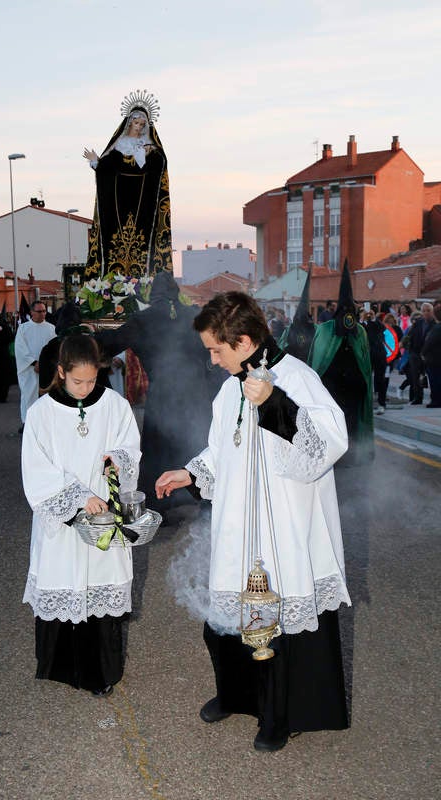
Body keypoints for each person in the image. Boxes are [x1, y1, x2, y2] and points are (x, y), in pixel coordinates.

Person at [155, 291, 350, 752]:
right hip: (239, 525)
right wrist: (191, 471)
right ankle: (236, 695)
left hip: (285, 527)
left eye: (216, 350)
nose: (212, 359)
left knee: (278, 624)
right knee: (226, 619)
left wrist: (277, 402)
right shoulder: (229, 389)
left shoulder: (297, 378)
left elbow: (330, 442)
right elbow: (224, 451)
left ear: (243, 341)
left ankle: (279, 716)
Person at [21, 334, 141, 696]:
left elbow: (131, 449)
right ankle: (62, 668)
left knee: (101, 589)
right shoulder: (41, 413)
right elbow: (36, 468)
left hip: (104, 517)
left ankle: (100, 673)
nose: (86, 388)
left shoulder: (115, 405)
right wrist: (76, 498)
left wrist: (117, 460)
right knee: (65, 582)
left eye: (92, 380)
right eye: (77, 381)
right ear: (60, 371)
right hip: (63, 523)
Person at [96, 270, 225, 518]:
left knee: (159, 450)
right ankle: (208, 502)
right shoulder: (195, 316)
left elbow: (108, 343)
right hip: (198, 396)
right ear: (176, 292)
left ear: (152, 294)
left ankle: (160, 504)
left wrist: (85, 334)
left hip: (163, 396)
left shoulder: (143, 320)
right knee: (197, 442)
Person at [83, 91, 173, 277]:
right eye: (136, 122)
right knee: (113, 242)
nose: (138, 127)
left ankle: (142, 281)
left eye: (142, 124)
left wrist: (149, 155)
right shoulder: (119, 144)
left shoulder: (150, 146)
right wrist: (95, 162)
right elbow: (106, 169)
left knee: (141, 243)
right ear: (129, 122)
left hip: (143, 203)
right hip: (117, 202)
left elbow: (159, 168)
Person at [309, 260, 373, 466]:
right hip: (332, 388)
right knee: (334, 424)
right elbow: (318, 360)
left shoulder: (359, 331)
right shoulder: (326, 330)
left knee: (350, 423)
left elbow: (364, 360)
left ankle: (350, 454)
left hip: (351, 389)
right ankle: (335, 455)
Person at [14, 300, 55, 430]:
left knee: (47, 396)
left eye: (44, 311)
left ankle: (45, 425)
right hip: (29, 369)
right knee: (28, 395)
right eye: (39, 311)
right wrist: (34, 363)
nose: (42, 314)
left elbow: (55, 348)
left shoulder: (51, 328)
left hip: (47, 369)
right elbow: (20, 349)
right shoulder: (23, 328)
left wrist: (45, 364)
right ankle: (27, 423)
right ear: (32, 312)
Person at [405, 302, 435, 405]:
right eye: (424, 311)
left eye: (428, 311)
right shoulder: (418, 323)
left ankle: (434, 398)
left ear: (432, 312)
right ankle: (418, 398)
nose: (426, 313)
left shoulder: (435, 324)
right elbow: (410, 336)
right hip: (416, 353)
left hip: (430, 355)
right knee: (415, 377)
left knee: (431, 377)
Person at [421, 300, 441, 408]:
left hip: (434, 359)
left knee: (435, 381)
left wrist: (423, 353)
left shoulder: (437, 328)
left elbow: (429, 343)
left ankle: (436, 400)